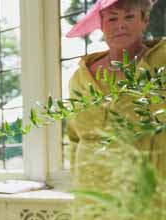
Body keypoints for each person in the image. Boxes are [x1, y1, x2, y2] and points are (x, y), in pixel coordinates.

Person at [66, 0, 166, 185]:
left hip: (147, 192)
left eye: (129, 17)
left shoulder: (161, 64)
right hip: (91, 194)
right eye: (112, 19)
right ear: (102, 25)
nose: (120, 25)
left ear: (145, 20)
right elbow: (73, 136)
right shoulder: (80, 77)